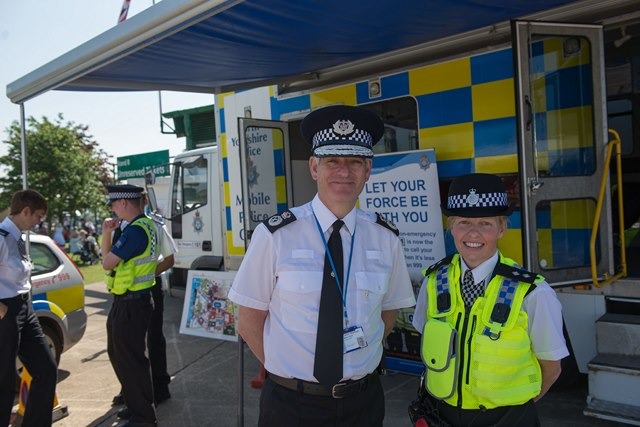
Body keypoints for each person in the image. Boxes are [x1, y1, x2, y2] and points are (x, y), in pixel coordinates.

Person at [229, 105, 416, 426]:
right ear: (314, 167)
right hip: (290, 405)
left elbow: (388, 312)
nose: (344, 171)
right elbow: (248, 320)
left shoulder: (385, 237)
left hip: (363, 403)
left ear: (368, 170)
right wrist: (286, 372)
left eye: (355, 162)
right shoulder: (275, 235)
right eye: (332, 161)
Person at [410, 173, 569, 427]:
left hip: (507, 419)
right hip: (442, 415)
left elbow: (551, 367)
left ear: (502, 228)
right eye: (463, 222)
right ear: (451, 226)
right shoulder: (434, 281)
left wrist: (514, 413)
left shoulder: (532, 292)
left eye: (485, 223)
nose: (473, 233)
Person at [113, 191, 177, 414]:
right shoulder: (119, 226)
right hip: (123, 292)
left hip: (149, 288)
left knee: (153, 340)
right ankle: (131, 391)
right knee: (125, 347)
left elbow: (169, 259)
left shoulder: (155, 225)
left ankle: (159, 388)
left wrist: (148, 274)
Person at [102, 184, 158, 427]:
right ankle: (137, 406)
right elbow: (110, 262)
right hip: (126, 301)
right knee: (119, 355)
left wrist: (106, 237)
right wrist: (107, 233)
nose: (113, 210)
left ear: (124, 202)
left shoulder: (135, 231)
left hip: (133, 304)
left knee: (131, 360)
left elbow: (107, 263)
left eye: (114, 204)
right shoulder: (137, 227)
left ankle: (143, 417)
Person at [0, 189, 57, 427]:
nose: (38, 221)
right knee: (3, 383)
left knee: (46, 369)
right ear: (25, 211)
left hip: (25, 308)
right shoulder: (1, 237)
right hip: (5, 311)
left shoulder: (19, 237)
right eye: (37, 216)